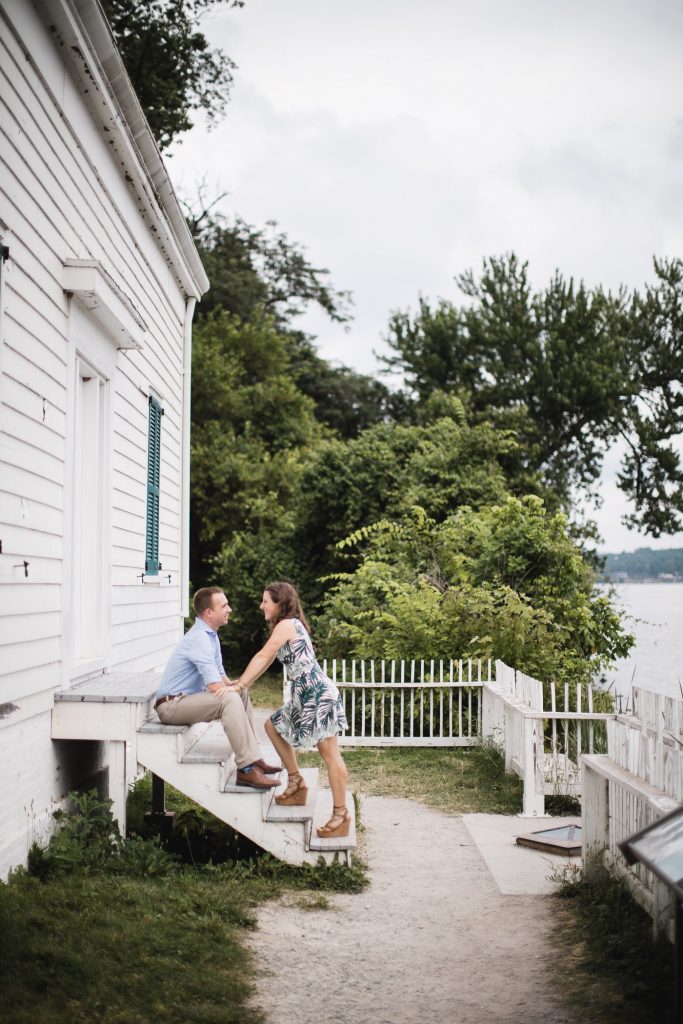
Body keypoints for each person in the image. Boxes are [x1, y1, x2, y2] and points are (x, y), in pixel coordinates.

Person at [233, 581, 350, 838]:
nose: (261, 605)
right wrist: (241, 683)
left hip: (316, 694)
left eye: (266, 601)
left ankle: (341, 815)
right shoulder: (286, 626)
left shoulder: (287, 624)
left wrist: (240, 684)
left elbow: (263, 656)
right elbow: (266, 661)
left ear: (280, 603)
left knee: (330, 754)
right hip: (306, 694)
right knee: (272, 726)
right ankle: (296, 782)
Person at [154, 586, 280, 790]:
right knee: (229, 698)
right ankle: (246, 770)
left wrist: (238, 685)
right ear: (208, 612)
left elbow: (221, 677)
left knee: (240, 691)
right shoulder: (200, 639)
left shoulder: (211, 635)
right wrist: (231, 691)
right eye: (224, 605)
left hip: (186, 700)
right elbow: (214, 687)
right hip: (171, 706)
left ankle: (254, 758)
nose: (229, 609)